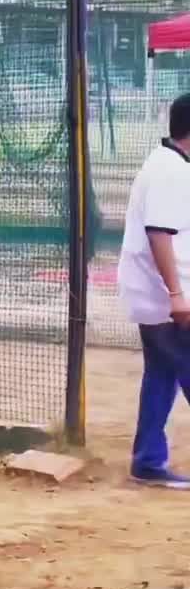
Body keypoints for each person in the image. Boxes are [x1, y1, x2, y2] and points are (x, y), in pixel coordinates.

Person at [119, 92, 190, 488]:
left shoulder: (171, 164)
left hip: (159, 295)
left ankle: (148, 460)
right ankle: (147, 459)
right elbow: (158, 233)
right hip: (165, 298)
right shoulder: (170, 171)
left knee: (162, 374)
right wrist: (177, 295)